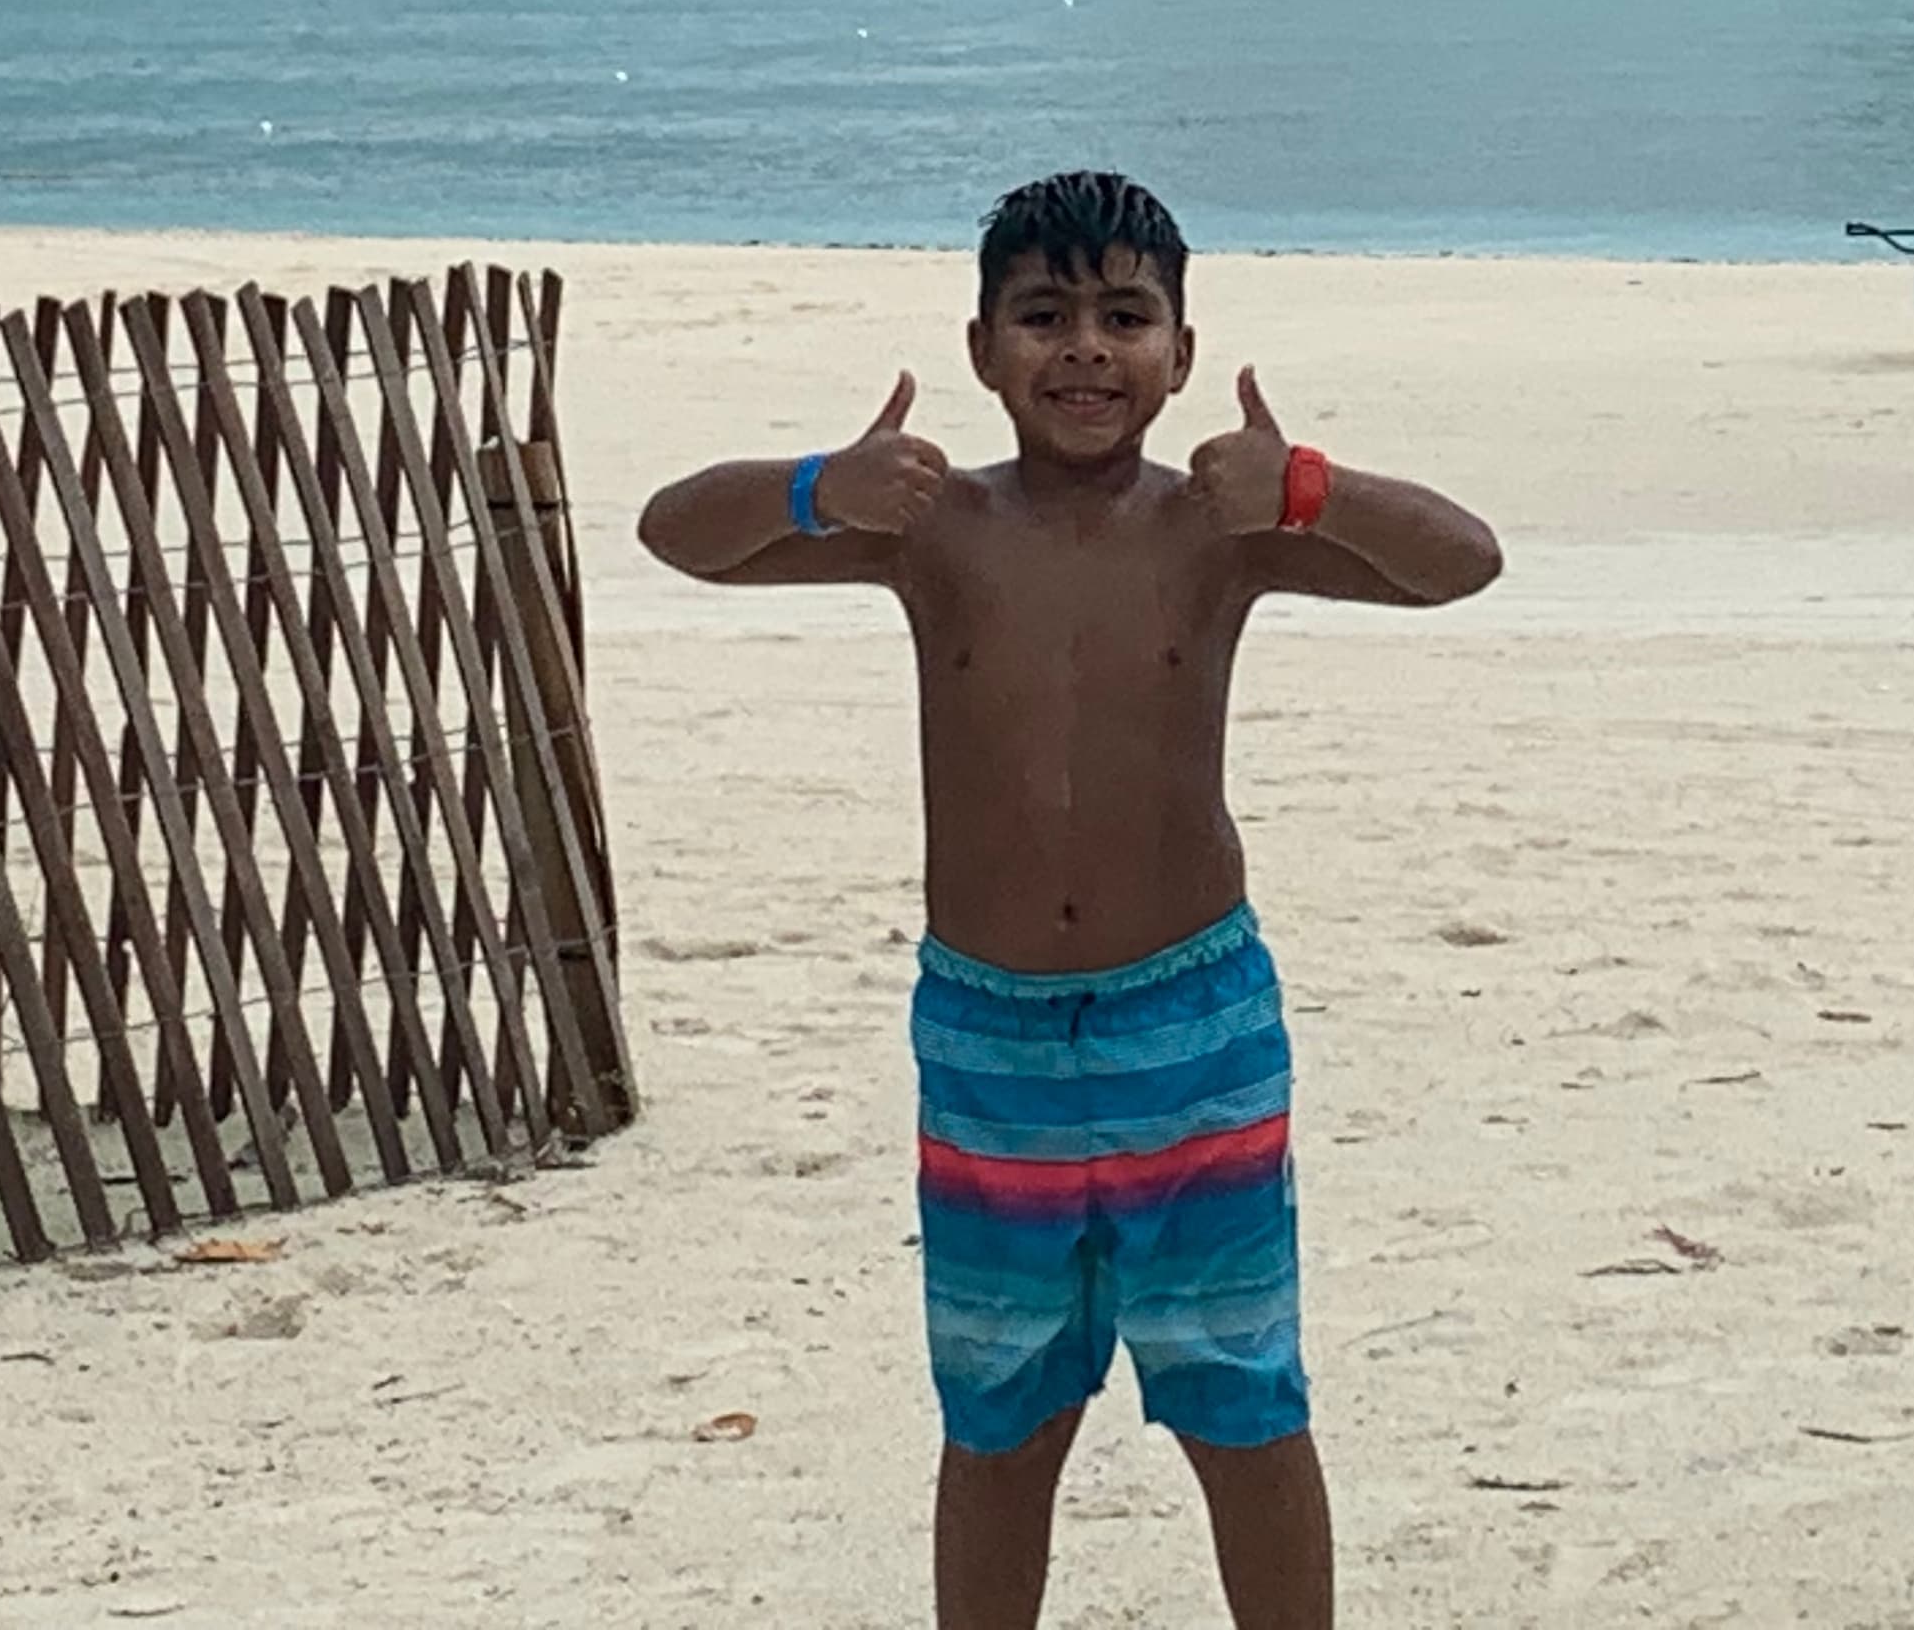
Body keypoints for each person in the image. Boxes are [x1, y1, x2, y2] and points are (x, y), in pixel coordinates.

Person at [635, 170, 1501, 1630]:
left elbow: (1460, 563)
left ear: (1179, 348)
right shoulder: (932, 526)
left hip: (1195, 1027)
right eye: (1043, 317)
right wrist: (815, 489)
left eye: (1124, 317)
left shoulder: (1217, 528)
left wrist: (1312, 488)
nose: (1085, 350)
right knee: (1001, 1421)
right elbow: (674, 529)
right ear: (982, 350)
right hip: (989, 1044)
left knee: (1243, 1405)